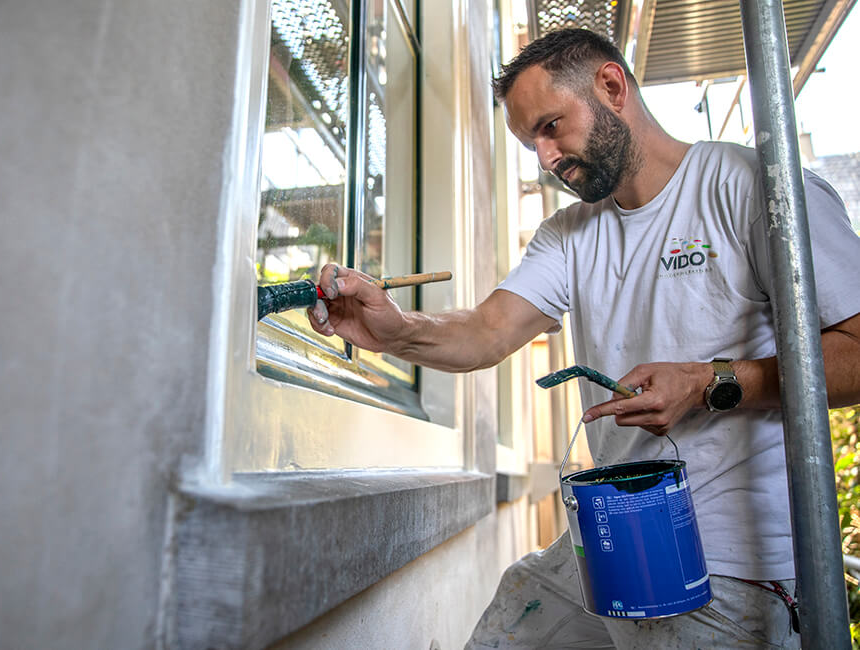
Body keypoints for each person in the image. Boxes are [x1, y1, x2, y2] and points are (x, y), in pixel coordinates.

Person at [306, 27, 860, 648]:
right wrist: (396, 330)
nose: (544, 158)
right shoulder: (570, 234)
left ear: (611, 86)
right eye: (529, 142)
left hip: (730, 562)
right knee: (515, 619)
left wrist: (711, 383)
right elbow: (487, 331)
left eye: (550, 127)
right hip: (613, 540)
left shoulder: (754, 188)